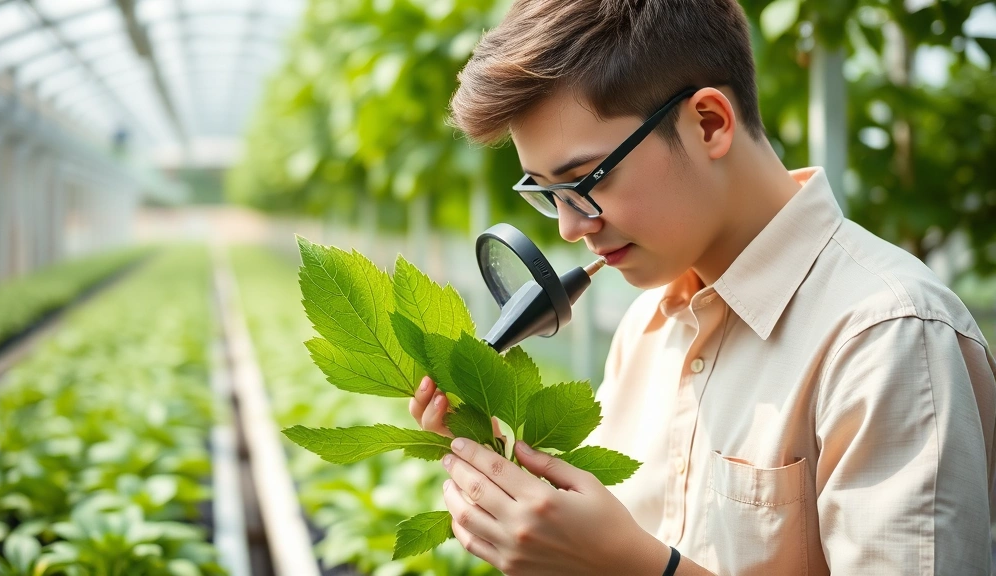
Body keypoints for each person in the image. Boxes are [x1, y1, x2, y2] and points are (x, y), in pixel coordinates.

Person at [409, 0, 996, 574]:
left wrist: (632, 568)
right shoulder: (645, 327)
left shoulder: (890, 338)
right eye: (546, 194)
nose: (568, 227)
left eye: (584, 181)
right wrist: (529, 498)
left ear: (709, 123)